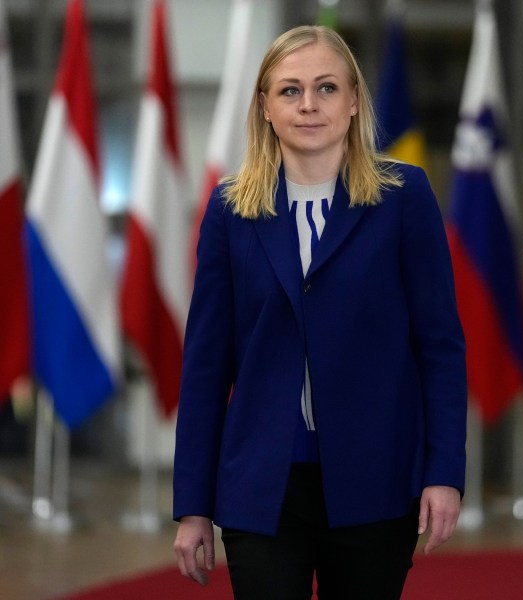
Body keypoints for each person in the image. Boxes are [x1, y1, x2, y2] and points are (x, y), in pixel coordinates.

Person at [172, 24, 467, 600]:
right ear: (264, 105)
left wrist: (443, 473)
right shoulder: (232, 210)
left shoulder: (404, 197)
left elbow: (440, 350)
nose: (309, 104)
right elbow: (206, 366)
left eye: (326, 88)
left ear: (354, 101)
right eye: (290, 90)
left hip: (375, 481)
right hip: (261, 486)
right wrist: (192, 506)